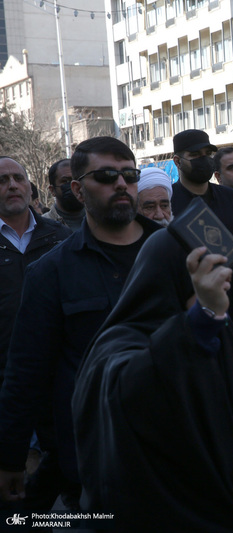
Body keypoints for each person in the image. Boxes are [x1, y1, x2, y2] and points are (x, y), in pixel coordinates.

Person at [73, 236, 233, 532]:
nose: (219, 289)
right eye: (202, 278)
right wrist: (199, 322)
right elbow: (137, 394)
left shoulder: (231, 344)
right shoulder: (116, 348)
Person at [0, 137, 162, 511]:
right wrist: (10, 457)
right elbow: (26, 372)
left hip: (177, 448)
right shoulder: (51, 272)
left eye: (129, 175)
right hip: (94, 460)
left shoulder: (177, 251)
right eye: (105, 176)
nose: (120, 184)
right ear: (77, 189)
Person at [0, 157, 70, 381]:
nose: (12, 185)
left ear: (30, 188)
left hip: (57, 374)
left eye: (18, 178)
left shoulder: (62, 238)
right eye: (2, 180)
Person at [171, 129, 233, 236]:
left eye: (208, 153)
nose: (204, 159)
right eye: (195, 154)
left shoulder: (231, 198)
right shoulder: (168, 201)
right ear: (178, 161)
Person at [43, 158, 85, 231]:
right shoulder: (42, 225)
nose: (73, 186)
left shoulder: (100, 219)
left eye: (77, 179)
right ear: (52, 190)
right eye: (65, 181)